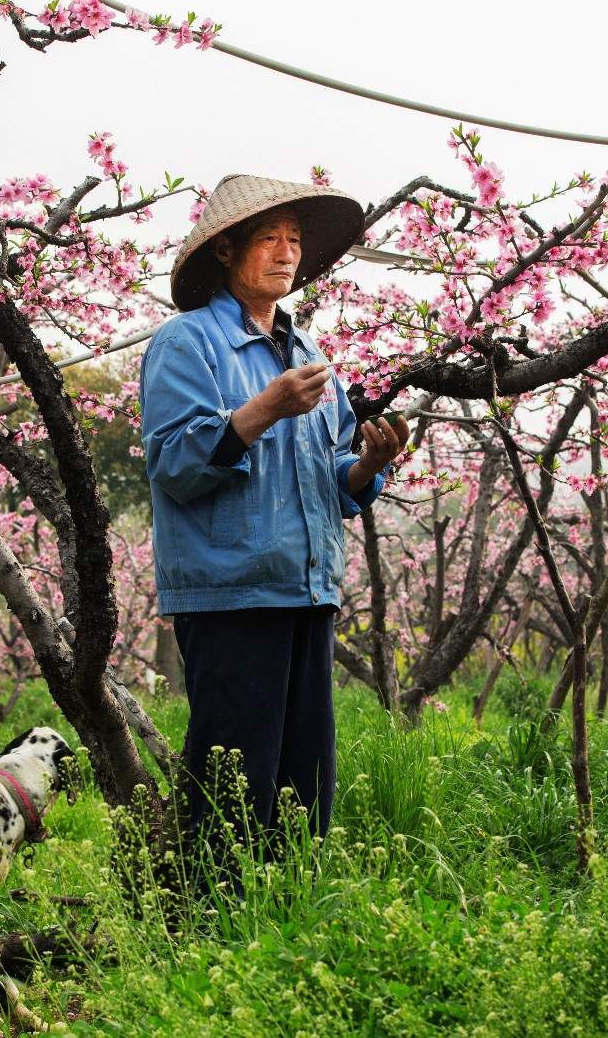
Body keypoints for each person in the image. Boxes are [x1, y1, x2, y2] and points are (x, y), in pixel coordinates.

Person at [139, 175, 410, 859]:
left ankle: (288, 906)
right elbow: (173, 463)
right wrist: (264, 408)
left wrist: (369, 465)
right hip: (230, 590)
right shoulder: (186, 342)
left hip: (306, 586)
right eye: (269, 238)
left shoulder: (310, 355)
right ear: (226, 250)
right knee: (235, 777)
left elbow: (333, 480)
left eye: (294, 240)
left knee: (302, 778)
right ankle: (216, 907)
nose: (287, 252)